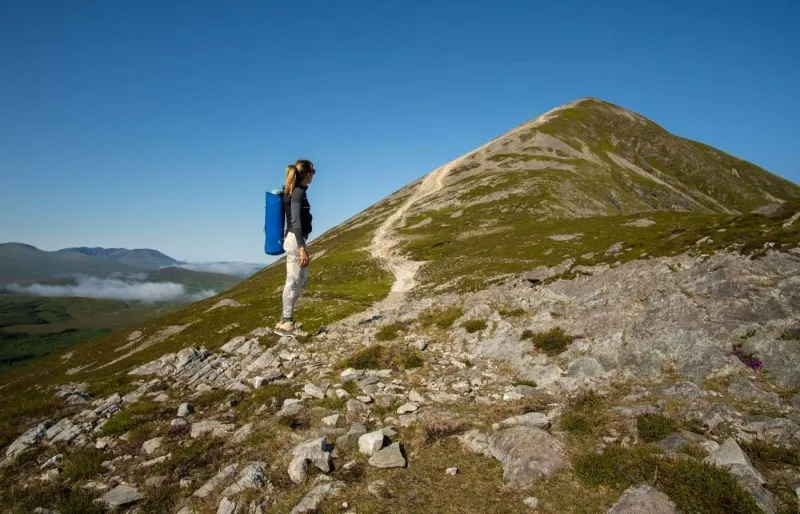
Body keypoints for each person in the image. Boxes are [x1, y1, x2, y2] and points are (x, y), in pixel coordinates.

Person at [275, 159, 315, 336]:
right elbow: (296, 221)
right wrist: (301, 247)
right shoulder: (297, 192)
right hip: (295, 239)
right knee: (292, 281)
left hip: (294, 239)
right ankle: (287, 323)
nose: (313, 176)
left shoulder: (293, 190)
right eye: (313, 172)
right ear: (307, 174)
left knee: (301, 279)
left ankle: (285, 319)